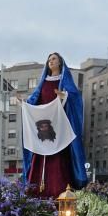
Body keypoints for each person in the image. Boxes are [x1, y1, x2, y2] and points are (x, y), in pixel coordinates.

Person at [21, 52, 87, 196]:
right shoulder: (44, 82)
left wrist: (64, 96)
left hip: (58, 126)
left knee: (59, 158)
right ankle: (35, 191)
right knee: (39, 156)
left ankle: (59, 192)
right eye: (49, 59)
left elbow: (75, 98)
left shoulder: (64, 81)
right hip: (43, 124)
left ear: (60, 62)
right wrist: (26, 104)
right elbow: (35, 100)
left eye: (54, 59)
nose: (50, 61)